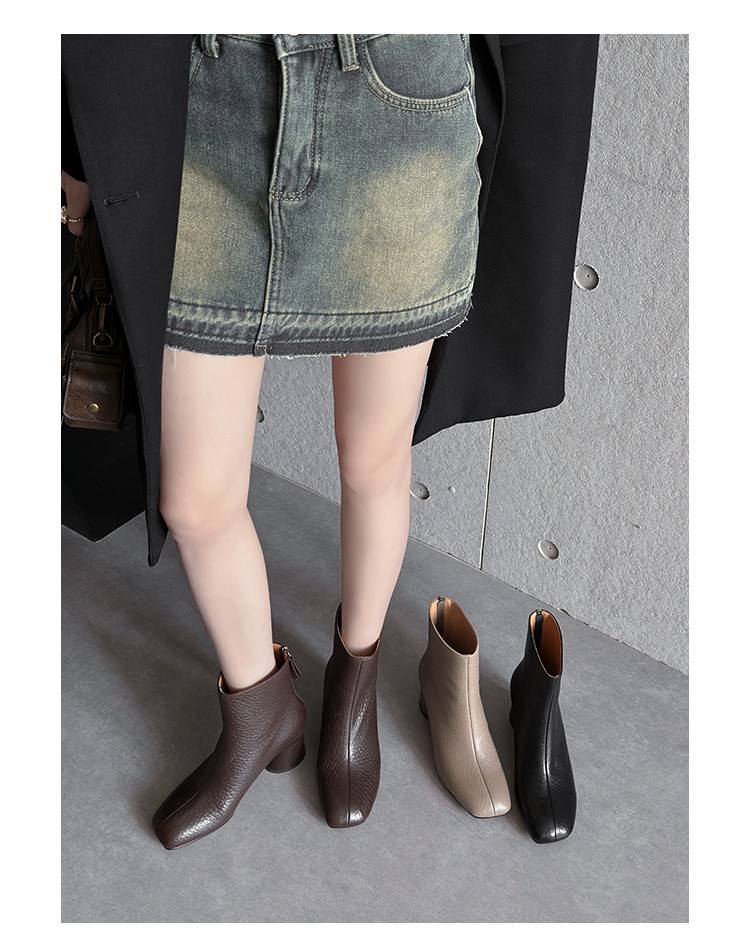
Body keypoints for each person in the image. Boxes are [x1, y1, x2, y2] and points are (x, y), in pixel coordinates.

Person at [62, 33, 599, 850]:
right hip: (205, 96)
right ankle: (261, 706)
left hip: (395, 101)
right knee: (193, 499)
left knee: (374, 460)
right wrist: (74, 142)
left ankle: (358, 669)